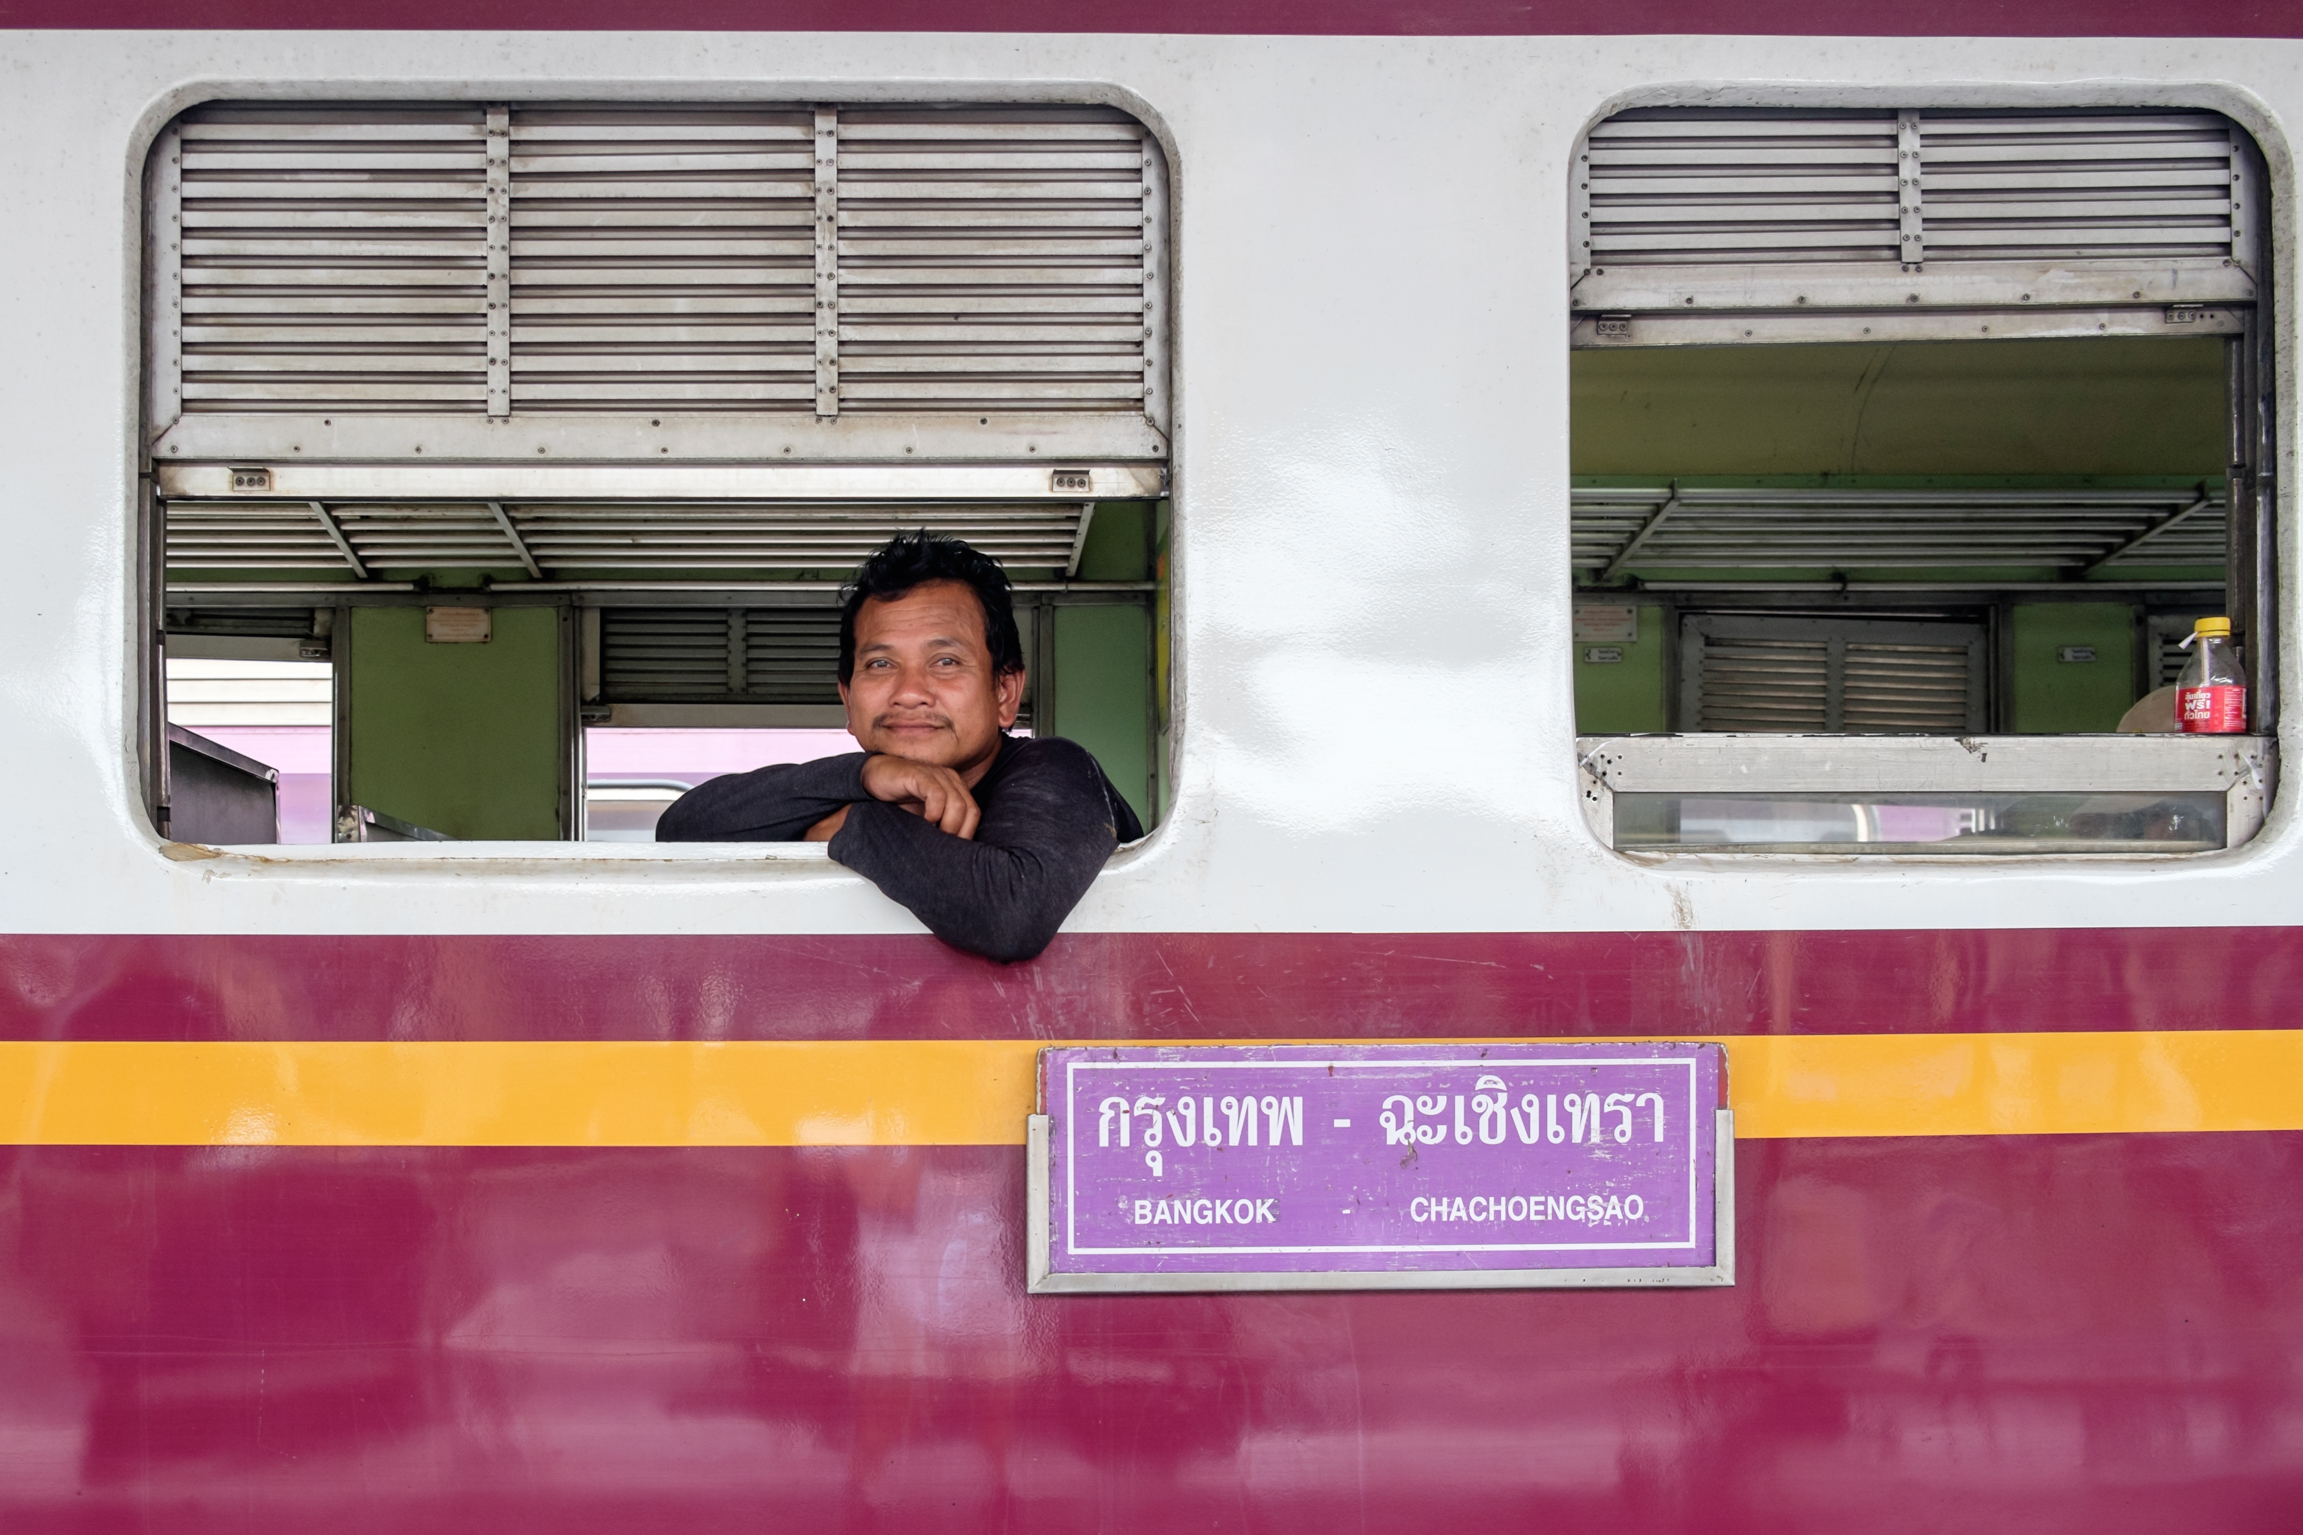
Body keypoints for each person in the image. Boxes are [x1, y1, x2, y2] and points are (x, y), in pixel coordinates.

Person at [655, 530, 1144, 962]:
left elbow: (1010, 915)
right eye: (881, 665)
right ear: (848, 700)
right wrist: (862, 776)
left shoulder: (1057, 769)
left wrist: (851, 824)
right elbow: (681, 829)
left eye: (946, 661)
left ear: (1004, 693)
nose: (910, 691)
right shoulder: (851, 786)